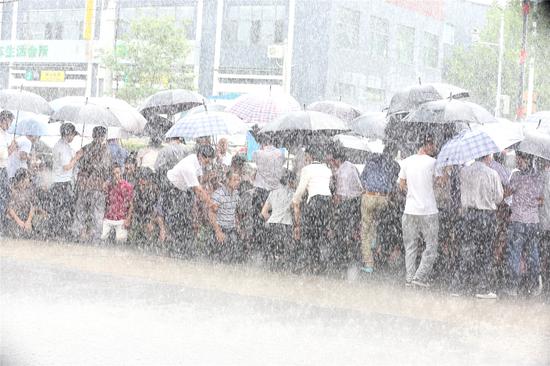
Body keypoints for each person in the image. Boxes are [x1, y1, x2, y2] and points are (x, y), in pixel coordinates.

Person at [450, 154, 503, 299]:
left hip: (468, 215)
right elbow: (499, 197)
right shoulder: (493, 173)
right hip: (486, 216)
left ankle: (457, 286)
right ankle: (482, 288)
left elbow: (458, 192)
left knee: (467, 251)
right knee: (486, 252)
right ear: (487, 156)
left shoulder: (464, 171)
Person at [399, 135, 439, 288]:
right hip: (428, 211)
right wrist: (447, 172)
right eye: (434, 145)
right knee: (431, 246)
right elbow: (439, 183)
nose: (435, 148)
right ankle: (419, 276)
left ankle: (409, 278)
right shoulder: (433, 162)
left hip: (410, 210)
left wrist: (413, 192)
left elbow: (401, 185)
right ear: (428, 145)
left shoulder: (406, 161)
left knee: (410, 246)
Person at [164, 144, 217, 254]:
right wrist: (211, 203)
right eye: (207, 161)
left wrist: (209, 181)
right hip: (172, 188)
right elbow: (198, 190)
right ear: (201, 156)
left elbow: (200, 182)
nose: (208, 164)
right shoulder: (189, 167)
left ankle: (186, 248)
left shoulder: (197, 161)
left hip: (184, 189)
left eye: (210, 162)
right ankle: (174, 249)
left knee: (188, 218)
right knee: (177, 218)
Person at [505, 152, 544, 297]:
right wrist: (531, 202)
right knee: (533, 252)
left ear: (524, 159)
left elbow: (507, 193)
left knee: (515, 253)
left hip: (518, 221)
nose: (517, 161)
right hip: (533, 221)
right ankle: (534, 284)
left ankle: (513, 287)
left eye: (519, 159)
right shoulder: (538, 178)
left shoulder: (516, 177)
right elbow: (541, 200)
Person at [292, 144, 333, 273]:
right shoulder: (327, 169)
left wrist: (294, 201)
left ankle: (304, 264)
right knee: (319, 234)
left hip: (315, 202)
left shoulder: (307, 169)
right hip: (327, 203)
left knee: (308, 234)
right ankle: (319, 264)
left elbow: (301, 189)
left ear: (310, 156)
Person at [360, 146, 401, 273]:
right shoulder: (394, 165)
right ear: (394, 154)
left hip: (369, 196)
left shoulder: (371, 162)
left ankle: (369, 264)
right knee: (380, 224)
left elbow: (362, 179)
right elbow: (393, 184)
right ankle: (376, 242)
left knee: (365, 231)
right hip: (384, 198)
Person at [72, 126, 112, 242]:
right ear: (103, 136)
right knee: (97, 214)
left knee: (81, 211)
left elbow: (78, 164)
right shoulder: (106, 151)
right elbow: (106, 169)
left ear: (93, 136)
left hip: (86, 184)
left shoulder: (85, 148)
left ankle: (77, 234)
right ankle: (96, 238)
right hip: (97, 186)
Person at [329, 144, 363, 270]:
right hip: (356, 201)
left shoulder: (342, 172)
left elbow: (341, 194)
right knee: (352, 228)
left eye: (333, 160)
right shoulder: (351, 166)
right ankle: (350, 253)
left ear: (337, 159)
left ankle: (342, 255)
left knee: (342, 229)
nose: (332, 163)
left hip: (347, 203)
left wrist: (335, 205)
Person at [251, 136, 285, 251]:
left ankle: (258, 243)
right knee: (273, 217)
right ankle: (272, 243)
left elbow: (254, 161)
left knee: (258, 217)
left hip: (260, 191)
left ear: (262, 143)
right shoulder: (280, 153)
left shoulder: (258, 153)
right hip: (274, 191)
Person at [49, 123, 81, 239]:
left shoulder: (65, 146)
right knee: (61, 209)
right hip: (61, 183)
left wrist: (75, 156)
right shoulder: (61, 147)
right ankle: (58, 233)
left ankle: (58, 232)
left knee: (62, 209)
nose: (73, 137)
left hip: (64, 181)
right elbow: (66, 167)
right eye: (73, 134)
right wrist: (77, 158)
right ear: (68, 134)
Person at [261, 171, 297, 270]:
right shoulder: (292, 194)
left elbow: (263, 213)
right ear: (291, 181)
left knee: (272, 252)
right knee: (284, 254)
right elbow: (296, 211)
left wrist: (273, 218)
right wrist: (297, 225)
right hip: (286, 225)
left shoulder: (272, 192)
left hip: (272, 225)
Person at [127, 167, 166, 246]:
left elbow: (157, 211)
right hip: (138, 215)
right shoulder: (136, 189)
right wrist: (129, 219)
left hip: (149, 215)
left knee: (153, 223)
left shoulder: (155, 193)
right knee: (133, 232)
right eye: (140, 180)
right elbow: (132, 205)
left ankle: (152, 243)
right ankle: (136, 241)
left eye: (144, 181)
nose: (141, 183)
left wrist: (150, 221)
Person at [209, 170, 242, 261]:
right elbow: (211, 213)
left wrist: (238, 225)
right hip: (220, 230)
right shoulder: (219, 194)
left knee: (233, 260)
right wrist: (218, 231)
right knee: (218, 260)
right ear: (228, 180)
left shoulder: (236, 194)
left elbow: (235, 211)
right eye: (235, 180)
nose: (237, 182)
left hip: (232, 231)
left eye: (238, 180)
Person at [101, 164, 134, 243]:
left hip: (121, 219)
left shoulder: (127, 186)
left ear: (121, 173)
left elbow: (131, 205)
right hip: (108, 218)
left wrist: (128, 219)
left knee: (120, 243)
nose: (116, 175)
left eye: (117, 173)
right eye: (113, 174)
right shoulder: (108, 185)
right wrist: (103, 186)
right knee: (102, 239)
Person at [6, 168, 37, 238]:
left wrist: (28, 221)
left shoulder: (30, 190)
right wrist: (19, 221)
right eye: (22, 183)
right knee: (15, 235)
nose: (24, 185)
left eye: (26, 183)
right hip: (15, 217)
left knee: (29, 234)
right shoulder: (12, 190)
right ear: (18, 181)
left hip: (26, 217)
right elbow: (10, 209)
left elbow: (33, 207)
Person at [0, 110, 14, 233]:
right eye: (9, 121)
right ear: (4, 120)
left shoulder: (4, 134)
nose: (10, 125)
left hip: (3, 169)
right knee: (2, 197)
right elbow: (3, 155)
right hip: (0, 169)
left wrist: (12, 147)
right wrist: (11, 149)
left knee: (5, 196)